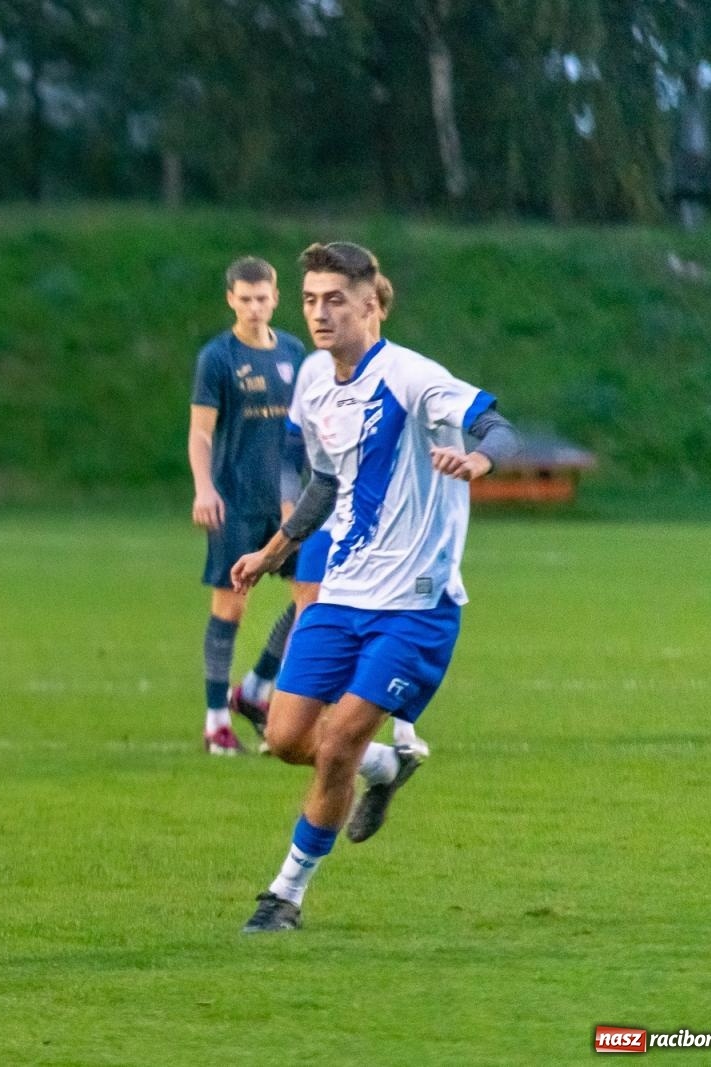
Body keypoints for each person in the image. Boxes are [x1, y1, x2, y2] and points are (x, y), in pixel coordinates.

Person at [230, 242, 518, 933]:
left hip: (416, 607)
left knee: (336, 746)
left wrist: (476, 459)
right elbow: (327, 483)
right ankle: (387, 766)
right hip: (342, 595)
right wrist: (272, 551)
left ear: (371, 303)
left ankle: (284, 896)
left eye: (335, 299)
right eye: (310, 299)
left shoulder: (413, 377)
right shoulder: (313, 379)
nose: (320, 312)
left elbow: (498, 426)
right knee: (285, 735)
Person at [236, 275, 426, 755]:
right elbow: (292, 454)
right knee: (313, 609)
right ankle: (285, 710)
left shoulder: (399, 376)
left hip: (380, 535)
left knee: (382, 616)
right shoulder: (315, 371)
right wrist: (288, 517)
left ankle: (274, 697)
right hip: (324, 523)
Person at [188, 256, 305, 756]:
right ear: (231, 300)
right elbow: (200, 432)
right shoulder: (217, 358)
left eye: (263, 298)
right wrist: (204, 488)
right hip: (234, 500)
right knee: (231, 607)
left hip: (288, 503)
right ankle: (217, 719)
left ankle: (256, 690)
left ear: (276, 299)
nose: (255, 308)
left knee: (312, 602)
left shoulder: (297, 354)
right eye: (245, 299)